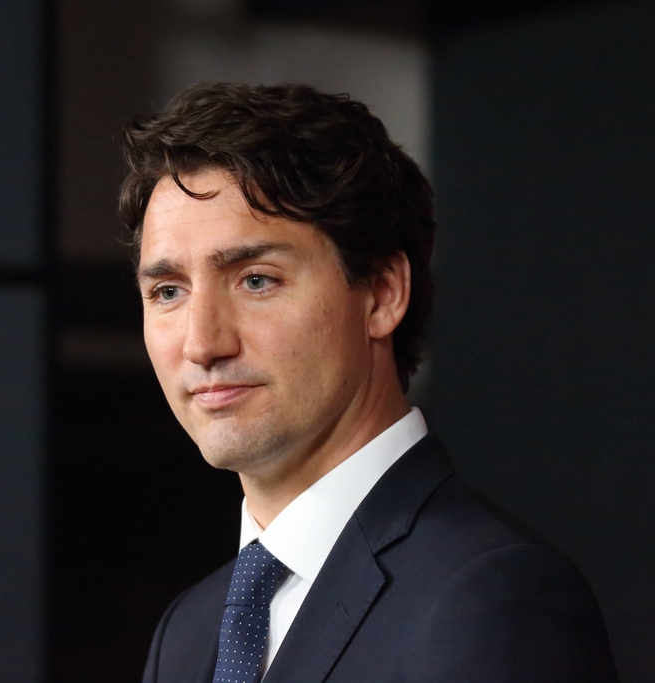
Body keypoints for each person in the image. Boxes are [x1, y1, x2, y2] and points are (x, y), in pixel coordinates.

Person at [118, 83, 618, 683]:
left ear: (382, 294)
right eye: (168, 292)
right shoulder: (188, 629)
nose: (201, 343)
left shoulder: (493, 599)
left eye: (256, 280)